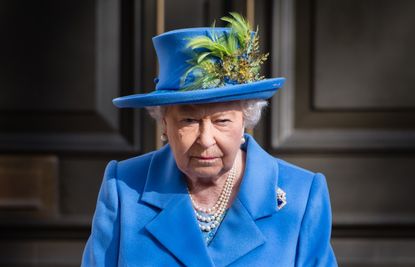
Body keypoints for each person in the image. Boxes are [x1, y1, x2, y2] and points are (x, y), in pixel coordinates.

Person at [81, 13, 337, 266]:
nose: (205, 139)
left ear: (245, 120)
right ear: (164, 124)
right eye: (189, 121)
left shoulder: (301, 194)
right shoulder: (125, 187)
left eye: (222, 121)